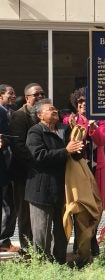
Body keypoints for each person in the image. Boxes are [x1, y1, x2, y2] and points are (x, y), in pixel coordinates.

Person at [25, 98, 83, 264]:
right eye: (50, 109)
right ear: (40, 115)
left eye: (55, 108)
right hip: (41, 189)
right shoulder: (35, 132)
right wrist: (65, 150)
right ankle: (42, 265)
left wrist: (78, 141)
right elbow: (38, 156)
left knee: (62, 229)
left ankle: (60, 262)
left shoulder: (64, 129)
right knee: (41, 231)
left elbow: (75, 156)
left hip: (63, 188)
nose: (55, 110)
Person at [63, 87, 105, 256]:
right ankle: (80, 240)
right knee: (80, 205)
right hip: (78, 170)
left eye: (86, 102)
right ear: (76, 104)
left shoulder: (101, 120)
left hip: (97, 168)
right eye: (80, 102)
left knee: (98, 204)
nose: (83, 105)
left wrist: (93, 127)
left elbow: (102, 140)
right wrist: (76, 125)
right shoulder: (70, 119)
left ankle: (92, 238)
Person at [9, 83, 45, 250]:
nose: (40, 97)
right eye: (36, 94)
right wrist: (36, 163)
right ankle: (26, 249)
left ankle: (39, 247)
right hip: (24, 174)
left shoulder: (43, 115)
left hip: (41, 173)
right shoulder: (19, 116)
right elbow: (18, 145)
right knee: (25, 214)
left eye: (42, 94)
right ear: (27, 97)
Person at [0, 84, 19, 253]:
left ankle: (4, 240)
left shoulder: (12, 113)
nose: (14, 96)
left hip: (10, 166)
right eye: (10, 93)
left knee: (10, 205)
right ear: (0, 96)